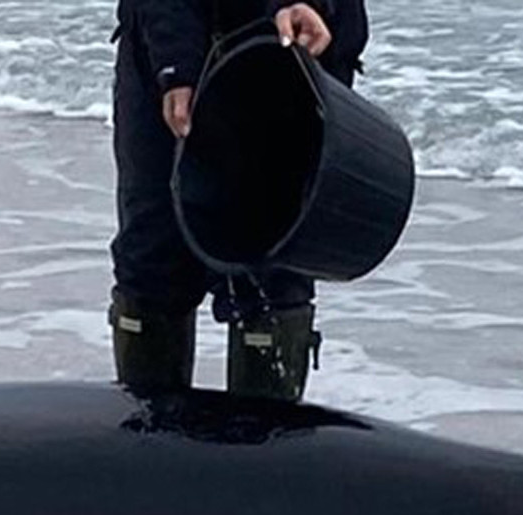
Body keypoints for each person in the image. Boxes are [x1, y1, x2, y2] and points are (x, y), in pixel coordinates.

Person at [110, 0, 370, 400]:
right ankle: (145, 442)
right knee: (153, 258)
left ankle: (266, 451)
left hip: (300, 39)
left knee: (273, 268)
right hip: (164, 32)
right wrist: (175, 61)